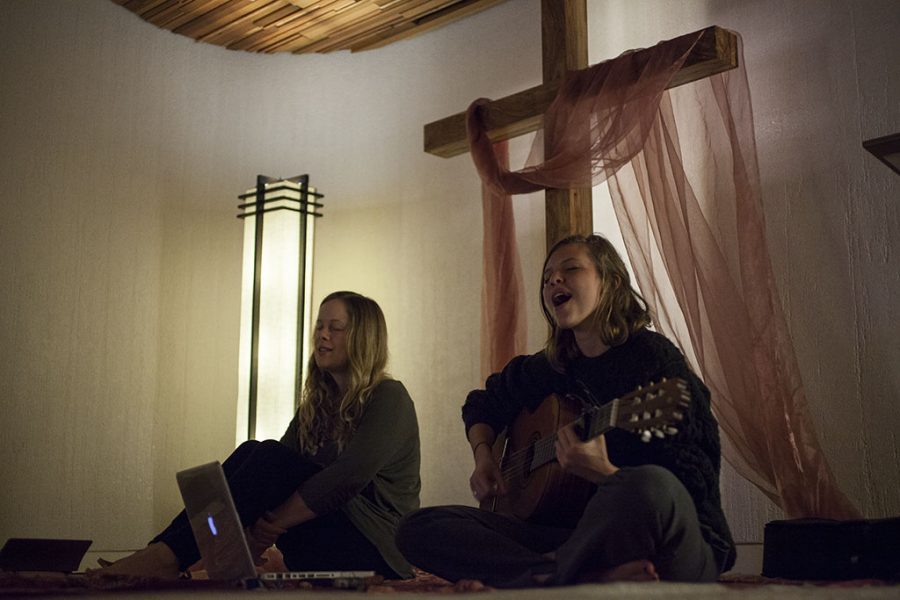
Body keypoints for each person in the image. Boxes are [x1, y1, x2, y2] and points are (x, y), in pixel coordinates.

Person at [396, 234, 735, 587]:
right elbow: (483, 404)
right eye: (547, 278)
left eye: (570, 269)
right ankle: (573, 577)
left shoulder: (653, 359)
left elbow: (688, 485)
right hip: (576, 539)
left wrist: (607, 475)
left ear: (611, 282)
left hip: (669, 540)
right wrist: (484, 457)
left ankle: (546, 576)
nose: (554, 280)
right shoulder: (554, 365)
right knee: (418, 527)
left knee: (649, 484)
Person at [97, 291, 421, 580]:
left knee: (268, 455)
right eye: (319, 326)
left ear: (364, 337)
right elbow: (272, 477)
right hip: (316, 543)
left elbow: (346, 479)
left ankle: (167, 557)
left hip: (375, 548)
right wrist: (247, 533)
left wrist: (271, 526)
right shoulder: (319, 406)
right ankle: (162, 552)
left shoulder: (388, 397)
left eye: (335, 327)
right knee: (255, 450)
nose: (322, 335)